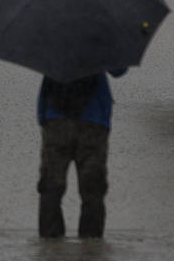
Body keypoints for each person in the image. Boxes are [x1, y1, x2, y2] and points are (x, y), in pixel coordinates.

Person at [36, 69, 127, 239]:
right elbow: (119, 69)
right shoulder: (101, 43)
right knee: (93, 187)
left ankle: (50, 246)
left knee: (51, 186)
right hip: (94, 122)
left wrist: (43, 117)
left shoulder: (52, 47)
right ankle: (91, 246)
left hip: (56, 121)